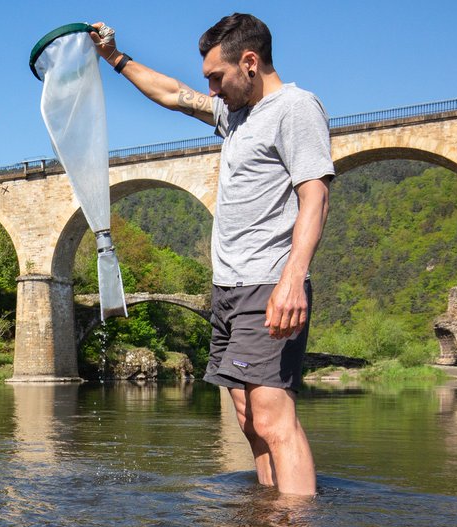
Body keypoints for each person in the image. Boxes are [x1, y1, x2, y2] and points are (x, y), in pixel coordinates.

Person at [89, 13, 333, 496]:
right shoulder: (235, 115)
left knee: (272, 415)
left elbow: (315, 195)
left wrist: (292, 278)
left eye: (217, 78)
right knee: (247, 418)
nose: (213, 90)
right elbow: (172, 93)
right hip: (229, 288)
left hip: (268, 283)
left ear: (250, 62)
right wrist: (115, 58)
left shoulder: (296, 108)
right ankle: (268, 515)